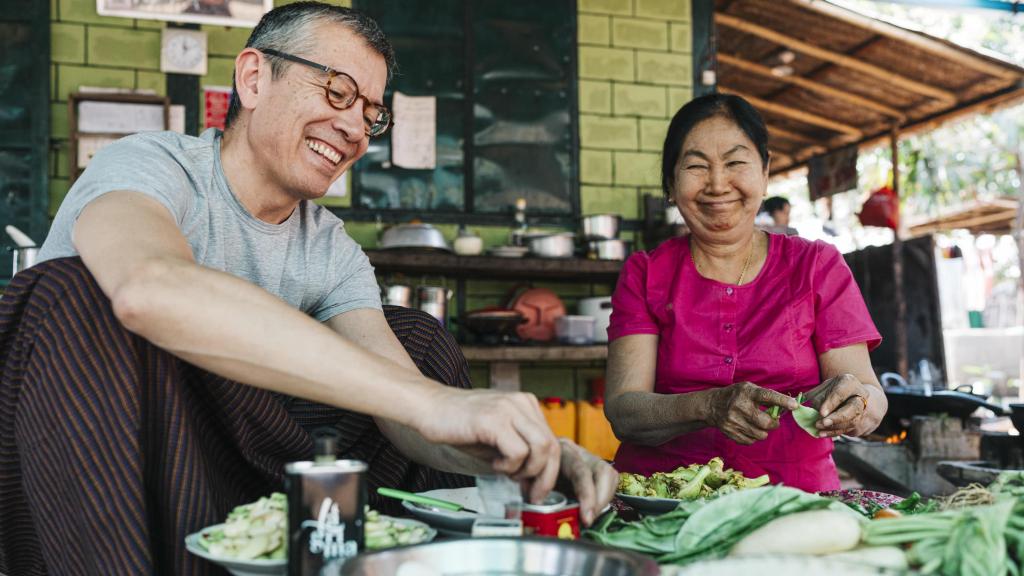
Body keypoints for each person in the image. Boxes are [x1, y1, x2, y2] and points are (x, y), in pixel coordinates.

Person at [3, 2, 615, 573]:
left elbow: (406, 412)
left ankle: (390, 560)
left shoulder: (328, 247)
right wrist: (430, 403)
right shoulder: (152, 167)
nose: (354, 128)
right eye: (337, 91)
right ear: (253, 78)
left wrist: (535, 456)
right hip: (116, 457)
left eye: (371, 113)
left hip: (243, 470)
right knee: (73, 296)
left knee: (416, 340)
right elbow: (146, 289)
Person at [604, 93, 887, 492]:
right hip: (661, 499)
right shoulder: (645, 273)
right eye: (696, 166)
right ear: (670, 184)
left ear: (765, 172)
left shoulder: (816, 266)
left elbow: (870, 394)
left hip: (794, 500)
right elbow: (623, 410)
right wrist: (707, 406)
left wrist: (856, 403)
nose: (718, 184)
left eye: (736, 163)